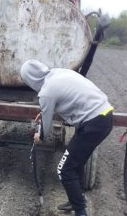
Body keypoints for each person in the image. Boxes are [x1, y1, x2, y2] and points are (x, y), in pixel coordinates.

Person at [20, 59, 114, 216]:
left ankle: (80, 211)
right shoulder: (58, 73)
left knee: (64, 170)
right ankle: (75, 200)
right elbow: (60, 102)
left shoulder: (46, 92)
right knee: (75, 164)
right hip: (104, 116)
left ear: (29, 79)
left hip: (93, 124)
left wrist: (39, 136)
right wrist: (45, 113)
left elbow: (45, 130)